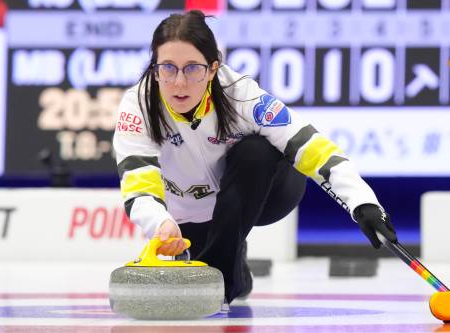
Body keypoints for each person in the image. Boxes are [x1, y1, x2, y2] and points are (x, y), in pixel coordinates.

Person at [113, 10, 398, 305]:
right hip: (189, 211)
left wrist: (362, 202)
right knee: (217, 258)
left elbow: (312, 146)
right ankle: (235, 264)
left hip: (268, 194)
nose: (180, 83)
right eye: (168, 68)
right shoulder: (139, 107)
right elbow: (139, 184)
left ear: (213, 68)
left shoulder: (241, 95)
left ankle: (222, 278)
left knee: (257, 150)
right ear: (155, 68)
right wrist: (160, 223)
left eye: (193, 68)